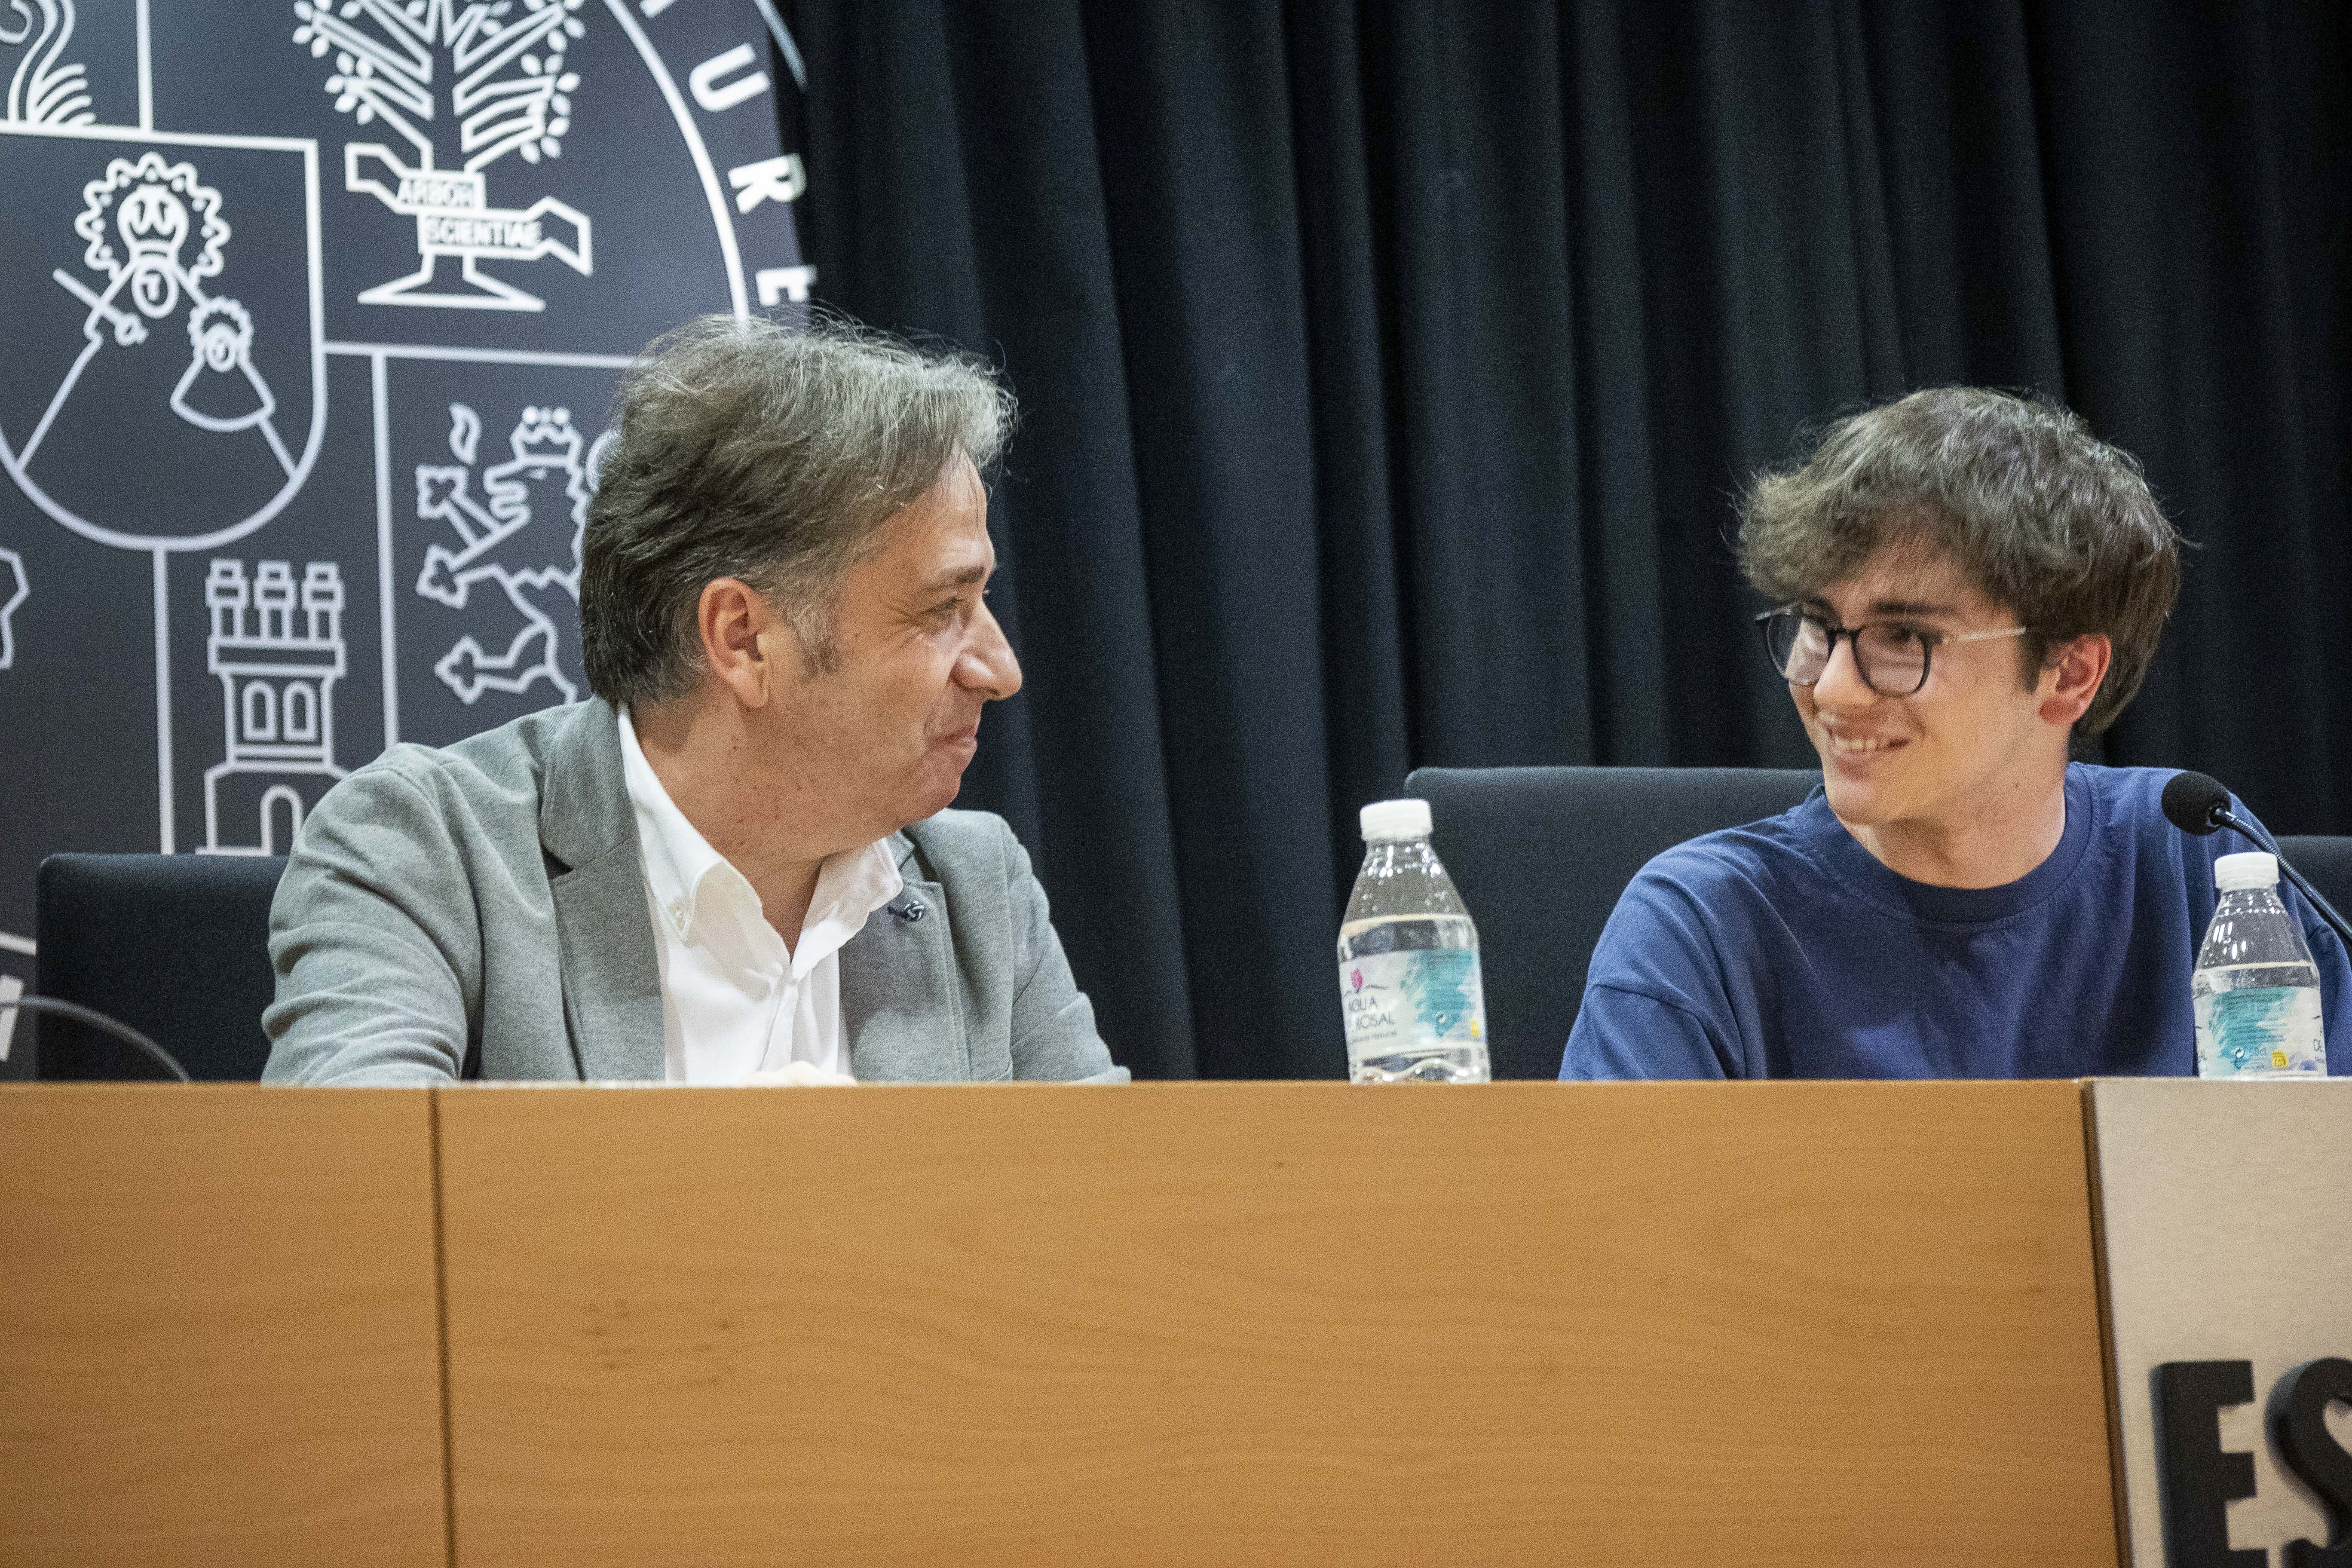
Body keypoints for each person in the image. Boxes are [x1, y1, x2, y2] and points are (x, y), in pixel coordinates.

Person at [264, 316, 1126, 1086]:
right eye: (943, 609)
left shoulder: (978, 888)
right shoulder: (428, 852)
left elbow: (1118, 1222)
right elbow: (360, 1203)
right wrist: (730, 1178)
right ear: (743, 639)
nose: (1000, 669)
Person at [1562, 387, 2352, 1080]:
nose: (1832, 688)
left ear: (2070, 675)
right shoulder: (1698, 931)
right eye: (1817, 625)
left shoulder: (2206, 871)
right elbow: (1620, 1247)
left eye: (1903, 638)